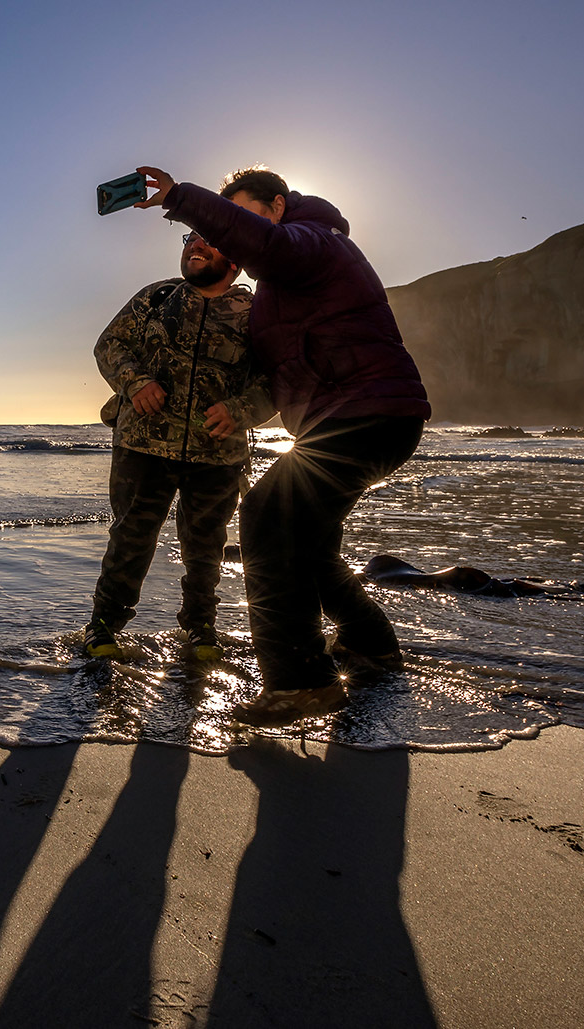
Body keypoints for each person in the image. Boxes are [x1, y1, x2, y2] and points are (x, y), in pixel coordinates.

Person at [133, 164, 431, 726]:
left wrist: (180, 198)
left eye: (243, 215)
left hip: (367, 412)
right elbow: (276, 374)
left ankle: (300, 682)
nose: (231, 235)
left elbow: (267, 246)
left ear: (276, 206)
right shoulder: (278, 287)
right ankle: (371, 644)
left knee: (268, 516)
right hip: (343, 420)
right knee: (309, 545)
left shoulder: (315, 244)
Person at [85, 226, 273, 665]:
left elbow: (276, 379)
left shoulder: (255, 313)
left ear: (236, 261)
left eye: (210, 240)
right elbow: (109, 345)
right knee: (130, 538)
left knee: (206, 547)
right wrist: (135, 382)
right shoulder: (156, 298)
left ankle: (200, 625)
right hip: (142, 445)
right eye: (190, 238)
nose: (196, 244)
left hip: (218, 453)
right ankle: (104, 625)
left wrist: (240, 409)